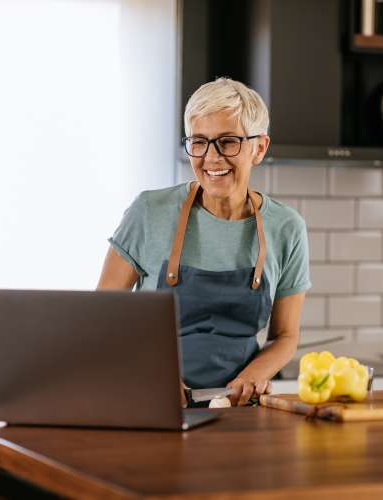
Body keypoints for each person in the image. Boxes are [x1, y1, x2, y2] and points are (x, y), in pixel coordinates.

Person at [97, 77, 310, 406]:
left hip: (238, 410)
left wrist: (253, 376)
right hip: (151, 402)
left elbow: (285, 336)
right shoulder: (149, 212)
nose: (211, 158)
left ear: (259, 148)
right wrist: (154, 375)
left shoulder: (286, 227)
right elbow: (103, 317)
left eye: (228, 142)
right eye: (199, 142)